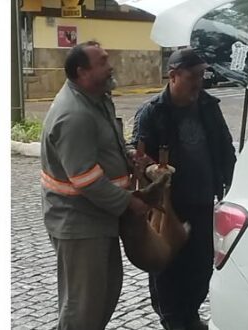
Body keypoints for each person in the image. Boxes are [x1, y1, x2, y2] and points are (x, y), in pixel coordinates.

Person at [40, 40, 150, 330]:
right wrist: (129, 202)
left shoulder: (97, 97)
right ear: (82, 72)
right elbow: (85, 179)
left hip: (98, 219)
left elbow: (103, 146)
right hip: (79, 224)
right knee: (83, 308)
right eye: (102, 61)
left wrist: (128, 157)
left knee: (104, 294)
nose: (110, 64)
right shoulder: (74, 114)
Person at [129, 48, 237, 330]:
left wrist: (232, 184)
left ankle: (190, 313)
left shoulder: (207, 106)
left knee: (201, 267)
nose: (199, 82)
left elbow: (225, 148)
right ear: (173, 75)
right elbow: (137, 156)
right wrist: (153, 169)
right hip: (169, 207)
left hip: (204, 201)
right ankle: (173, 320)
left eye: (203, 75)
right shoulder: (152, 113)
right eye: (193, 75)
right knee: (168, 267)